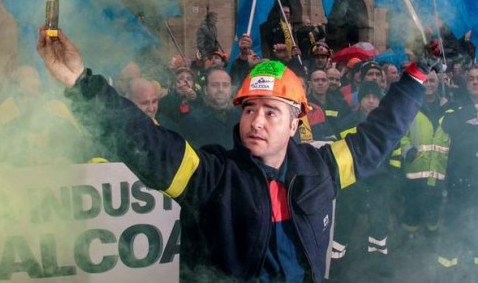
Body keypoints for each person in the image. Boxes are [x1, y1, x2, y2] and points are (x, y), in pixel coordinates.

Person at [37, 28, 432, 281]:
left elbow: (378, 136)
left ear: (296, 122)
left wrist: (416, 77)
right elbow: (144, 142)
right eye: (249, 109)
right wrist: (79, 83)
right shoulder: (212, 177)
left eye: (270, 111)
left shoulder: (320, 170)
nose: (256, 121)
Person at [330, 81, 401, 279]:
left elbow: (396, 155)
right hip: (353, 183)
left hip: (380, 183)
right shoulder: (345, 124)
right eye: (366, 97)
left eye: (375, 97)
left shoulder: (389, 125)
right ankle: (336, 269)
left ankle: (377, 268)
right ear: (359, 100)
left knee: (379, 225)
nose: (371, 101)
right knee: (343, 226)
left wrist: (392, 181)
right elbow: (337, 156)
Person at [435, 64, 478, 281]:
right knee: (453, 223)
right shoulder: (456, 106)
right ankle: (449, 270)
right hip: (459, 179)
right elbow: (450, 126)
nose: (475, 81)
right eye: (471, 78)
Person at [400, 70, 449, 242]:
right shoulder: (410, 107)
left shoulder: (447, 108)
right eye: (425, 81)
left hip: (438, 169)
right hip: (415, 168)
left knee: (434, 205)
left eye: (432, 81)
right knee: (412, 205)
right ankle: (409, 235)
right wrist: (407, 150)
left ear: (438, 83)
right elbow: (401, 135)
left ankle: (431, 233)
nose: (429, 84)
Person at [180, 67, 239, 149]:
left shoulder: (241, 118)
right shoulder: (192, 121)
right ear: (206, 90)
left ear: (231, 89)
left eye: (225, 85)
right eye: (215, 85)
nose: (220, 90)